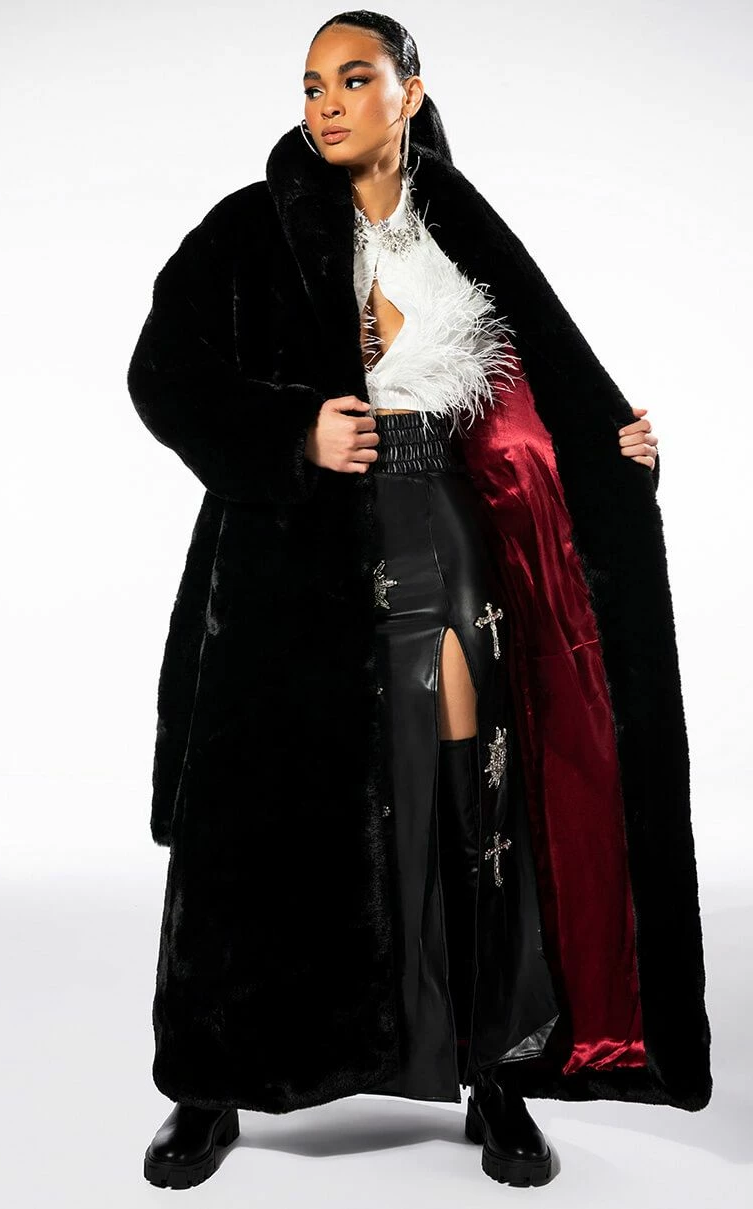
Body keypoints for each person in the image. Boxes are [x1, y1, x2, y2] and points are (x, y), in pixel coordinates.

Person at [127, 9, 710, 1193]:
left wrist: (611, 450)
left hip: (442, 537)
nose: (326, 104)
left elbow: (538, 373)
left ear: (411, 89)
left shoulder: (460, 229)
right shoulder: (247, 230)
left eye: (354, 79)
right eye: (311, 85)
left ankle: (490, 1064)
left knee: (464, 792)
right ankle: (211, 1079)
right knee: (259, 820)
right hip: (288, 568)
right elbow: (162, 374)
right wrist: (292, 433)